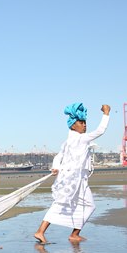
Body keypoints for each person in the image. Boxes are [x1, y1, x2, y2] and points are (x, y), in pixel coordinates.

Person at [34, 103, 111, 243]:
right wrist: (106, 113)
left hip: (79, 179)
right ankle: (40, 231)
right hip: (71, 179)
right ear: (72, 125)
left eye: (85, 122)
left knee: (88, 205)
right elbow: (100, 131)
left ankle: (74, 234)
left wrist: (56, 166)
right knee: (61, 203)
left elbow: (58, 156)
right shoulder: (80, 139)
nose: (84, 125)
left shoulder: (70, 140)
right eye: (81, 122)